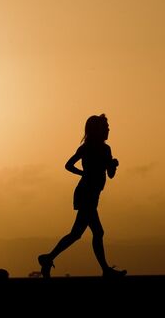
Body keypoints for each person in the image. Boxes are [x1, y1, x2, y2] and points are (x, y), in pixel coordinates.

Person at [38, 114, 126, 278]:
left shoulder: (106, 149)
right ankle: (106, 270)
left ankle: (48, 258)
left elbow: (110, 174)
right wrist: (84, 173)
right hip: (86, 193)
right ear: (96, 130)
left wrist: (113, 165)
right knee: (97, 232)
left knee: (76, 234)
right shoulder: (86, 148)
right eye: (105, 127)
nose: (108, 130)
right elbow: (68, 165)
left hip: (93, 194)